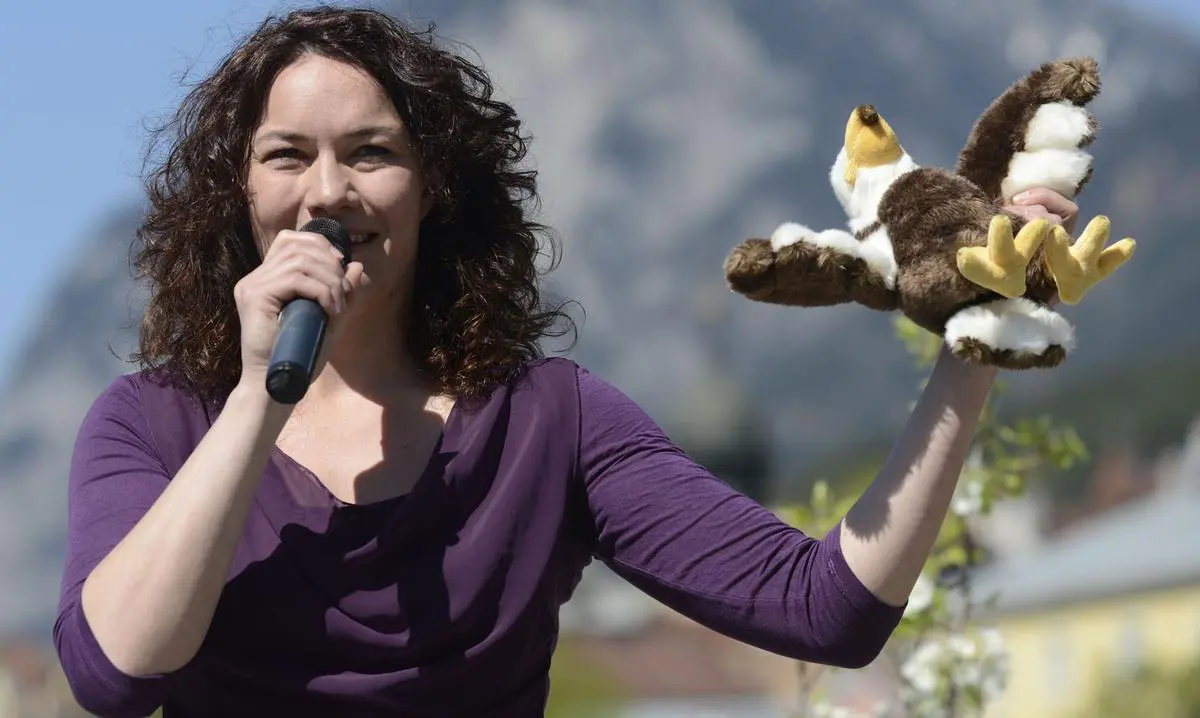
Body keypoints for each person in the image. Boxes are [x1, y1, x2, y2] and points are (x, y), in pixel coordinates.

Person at [52, 6, 1082, 717]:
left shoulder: (549, 421)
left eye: (370, 152)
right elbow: (115, 672)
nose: (327, 191)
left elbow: (827, 606)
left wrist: (973, 346)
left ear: (433, 191)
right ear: (237, 194)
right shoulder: (153, 424)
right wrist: (253, 402)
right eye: (287, 155)